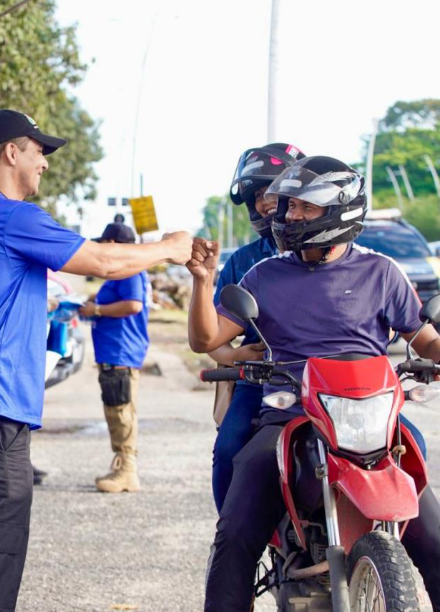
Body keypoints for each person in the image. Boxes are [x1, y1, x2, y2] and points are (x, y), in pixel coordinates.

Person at [0, 108, 192, 612]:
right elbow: (104, 261)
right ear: (11, 152)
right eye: (39, 150)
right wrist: (169, 248)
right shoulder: (12, 216)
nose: (43, 162)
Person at [187, 156, 440, 611]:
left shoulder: (382, 273)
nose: (288, 216)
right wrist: (202, 281)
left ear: (338, 211)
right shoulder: (263, 275)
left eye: (304, 208)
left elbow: (425, 339)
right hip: (291, 417)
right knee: (235, 534)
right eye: (288, 207)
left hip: (373, 420)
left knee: (433, 534)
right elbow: (206, 338)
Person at [209, 143, 306, 513]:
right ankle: (231, 537)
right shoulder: (245, 262)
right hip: (265, 380)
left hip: (333, 382)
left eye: (271, 192)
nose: (264, 203)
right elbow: (212, 340)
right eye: (256, 196)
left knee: (403, 442)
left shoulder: (343, 253)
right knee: (230, 447)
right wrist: (233, 356)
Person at [79, 222, 150, 493]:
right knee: (115, 408)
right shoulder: (120, 272)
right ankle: (121, 465)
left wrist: (96, 309)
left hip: (121, 350)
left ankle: (128, 471)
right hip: (113, 350)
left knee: (121, 411)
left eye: (104, 243)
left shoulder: (128, 269)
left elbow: (133, 304)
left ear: (115, 244)